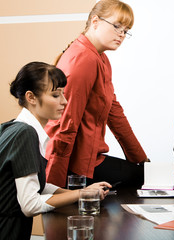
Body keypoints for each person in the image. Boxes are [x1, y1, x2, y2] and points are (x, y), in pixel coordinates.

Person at [0, 62, 111, 240]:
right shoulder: (25, 133)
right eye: (55, 95)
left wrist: (85, 193)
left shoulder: (13, 127)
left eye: (63, 94)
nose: (64, 101)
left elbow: (39, 185)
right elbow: (30, 205)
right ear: (31, 97)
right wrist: (81, 193)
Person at [45, 0, 148, 188]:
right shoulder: (83, 59)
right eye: (117, 26)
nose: (121, 34)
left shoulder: (101, 59)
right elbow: (65, 124)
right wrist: (55, 187)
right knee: (143, 179)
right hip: (77, 165)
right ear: (95, 21)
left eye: (126, 30)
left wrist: (141, 160)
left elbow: (115, 113)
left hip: (90, 158)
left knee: (146, 176)